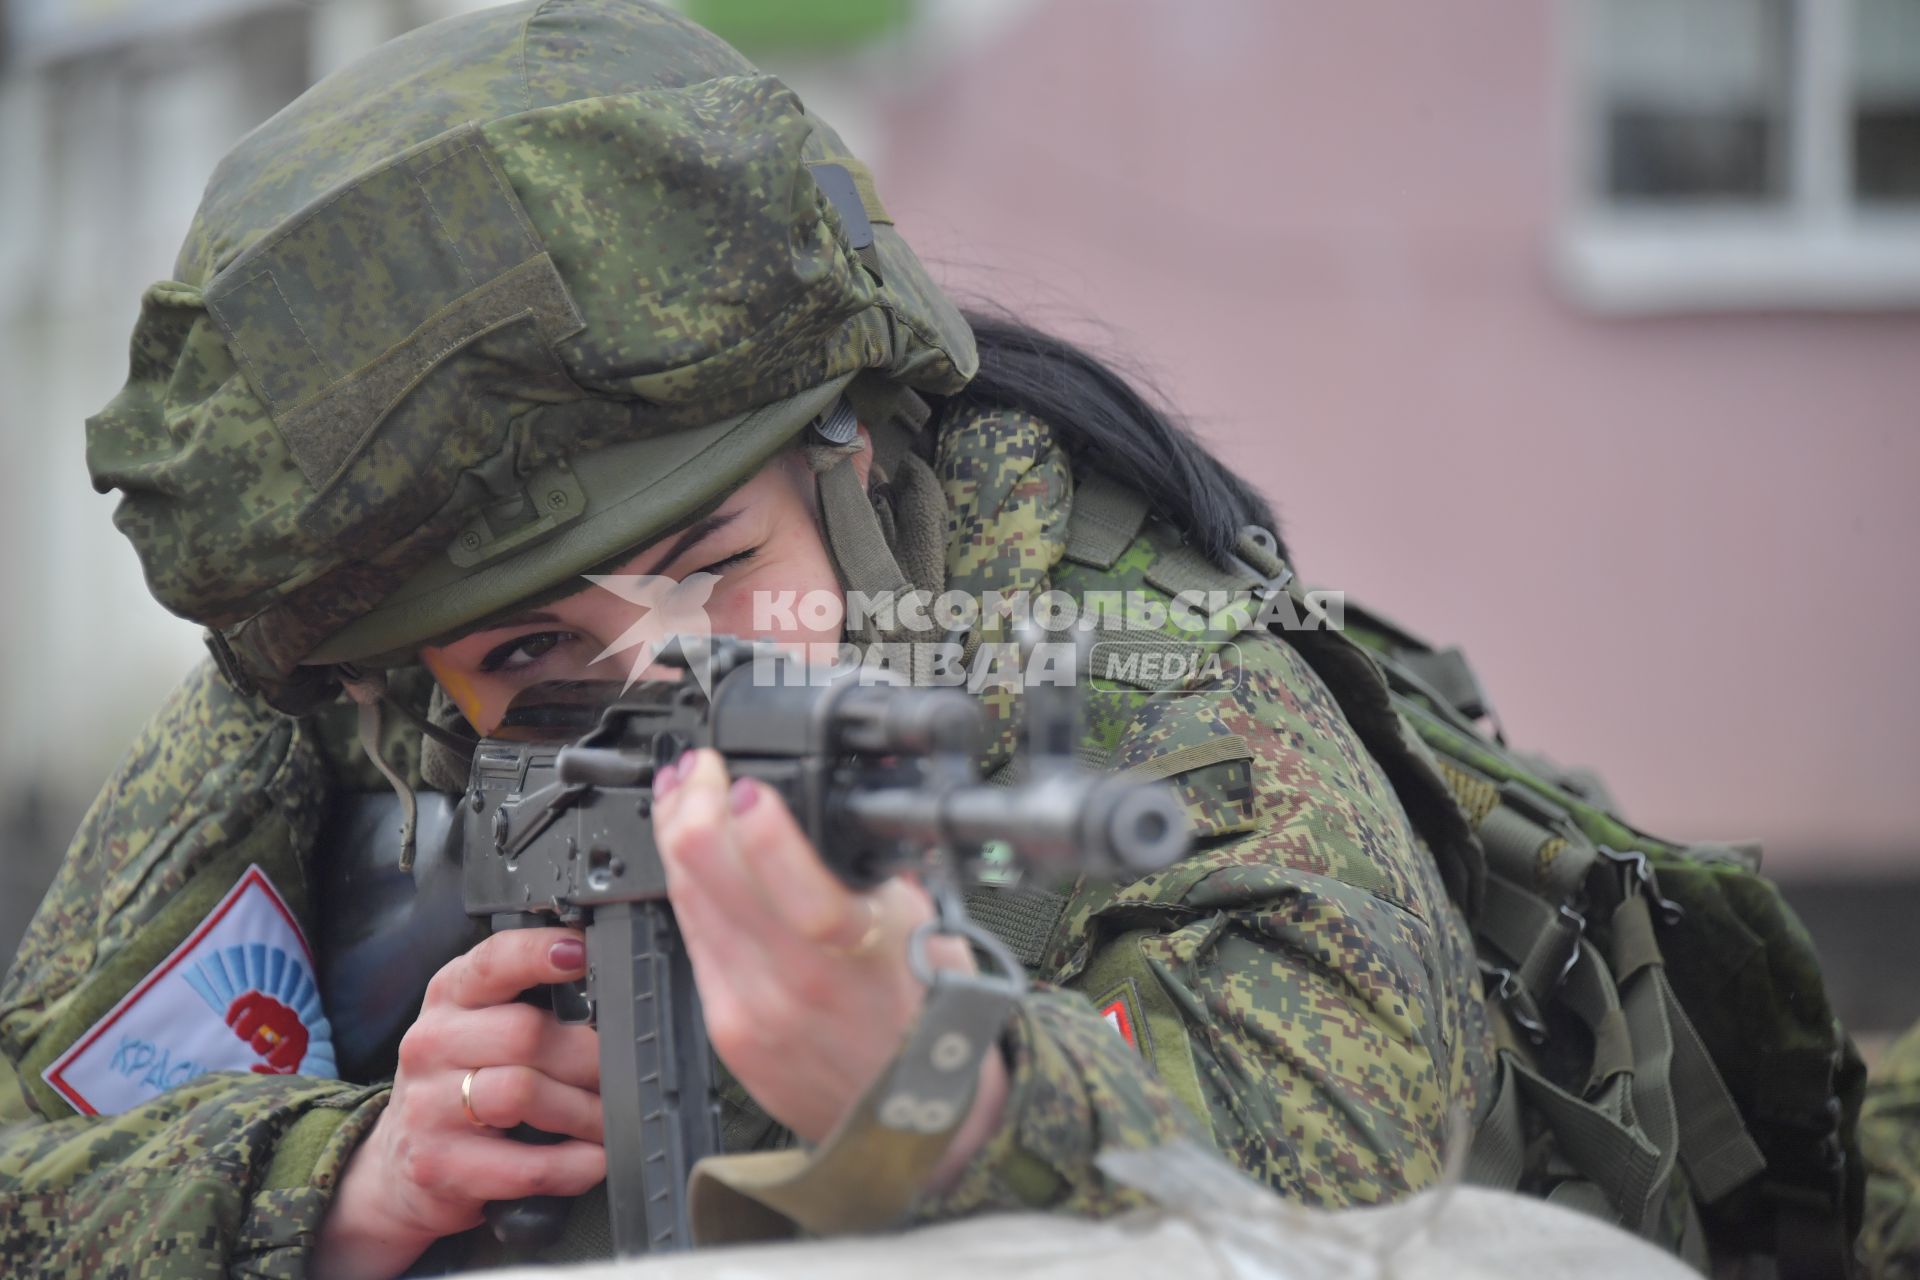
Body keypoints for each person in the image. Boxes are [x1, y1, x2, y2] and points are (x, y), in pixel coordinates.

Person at [0, 2, 1491, 1275]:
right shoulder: (347, 703)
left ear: (849, 458)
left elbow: (1367, 1199)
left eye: (713, 569)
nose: (665, 672)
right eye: (528, 657)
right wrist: (341, 1181)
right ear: (404, 680)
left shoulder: (1154, 685)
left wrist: (945, 1092)